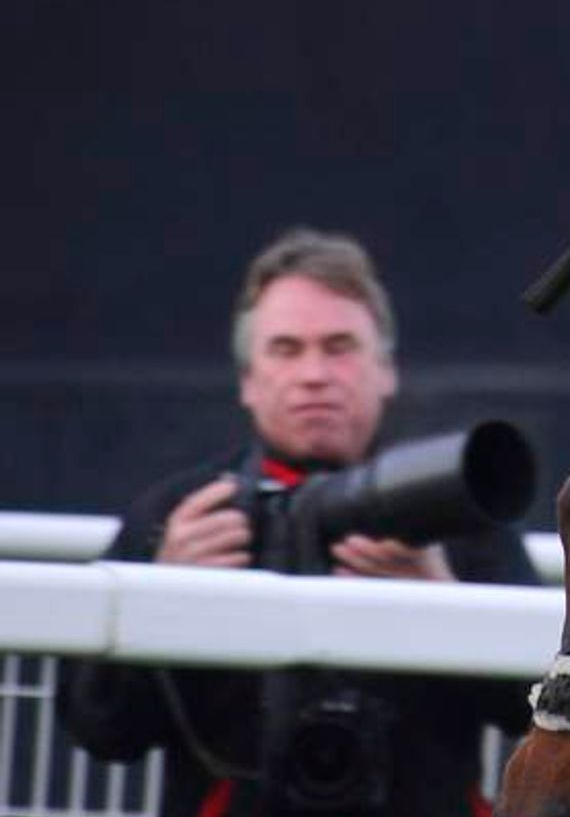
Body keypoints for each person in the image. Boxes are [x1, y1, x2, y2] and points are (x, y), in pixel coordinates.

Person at [58, 228, 538, 817]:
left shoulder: (457, 510)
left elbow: (535, 706)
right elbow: (100, 730)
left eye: (339, 346)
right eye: (286, 349)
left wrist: (446, 607)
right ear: (248, 382)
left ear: (385, 370)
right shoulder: (181, 518)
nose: (315, 374)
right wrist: (162, 599)